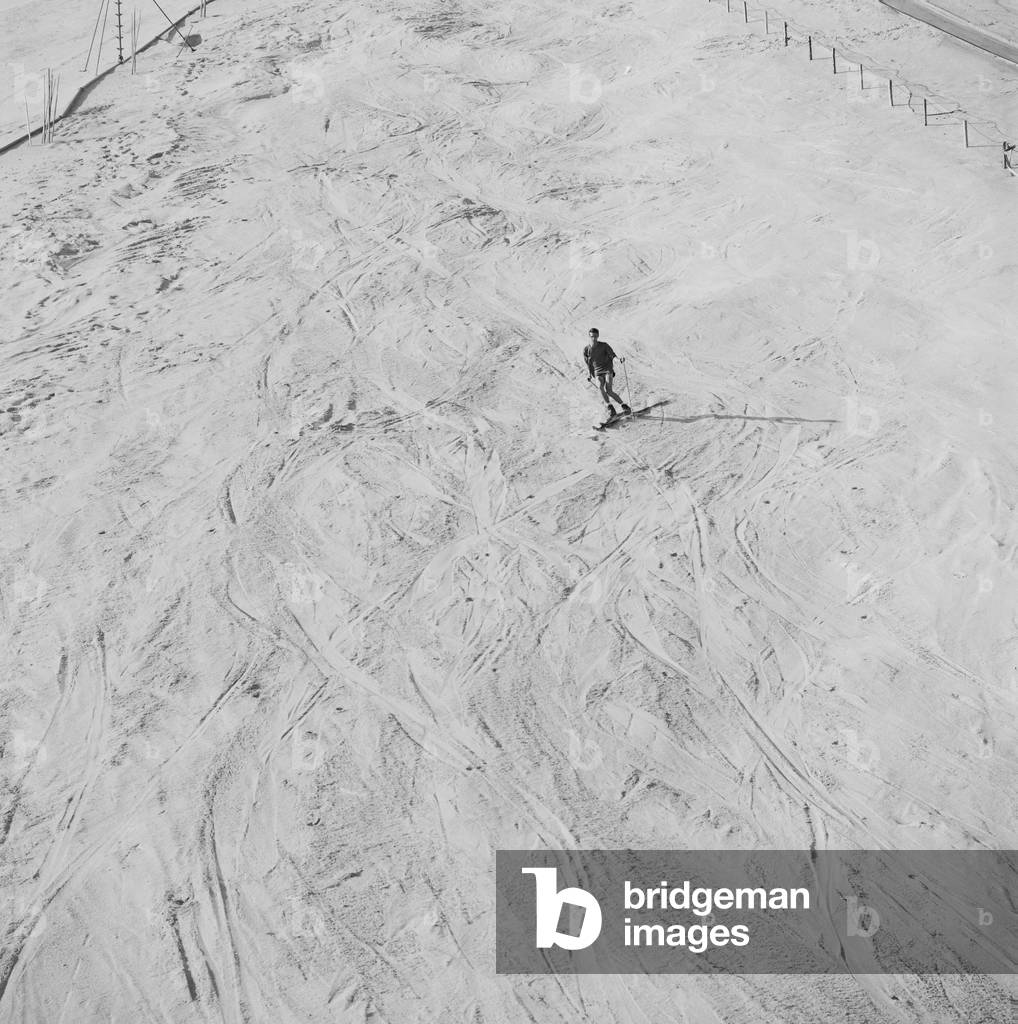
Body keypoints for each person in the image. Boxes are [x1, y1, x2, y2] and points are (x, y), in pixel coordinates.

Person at [583, 328, 630, 420]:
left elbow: (613, 356)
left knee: (609, 390)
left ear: (598, 336)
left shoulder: (604, 345)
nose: (594, 338)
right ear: (589, 336)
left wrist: (619, 360)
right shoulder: (586, 349)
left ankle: (624, 406)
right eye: (592, 336)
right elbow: (588, 364)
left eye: (595, 336)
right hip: (597, 372)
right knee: (600, 386)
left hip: (607, 370)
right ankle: (611, 408)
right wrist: (590, 375)